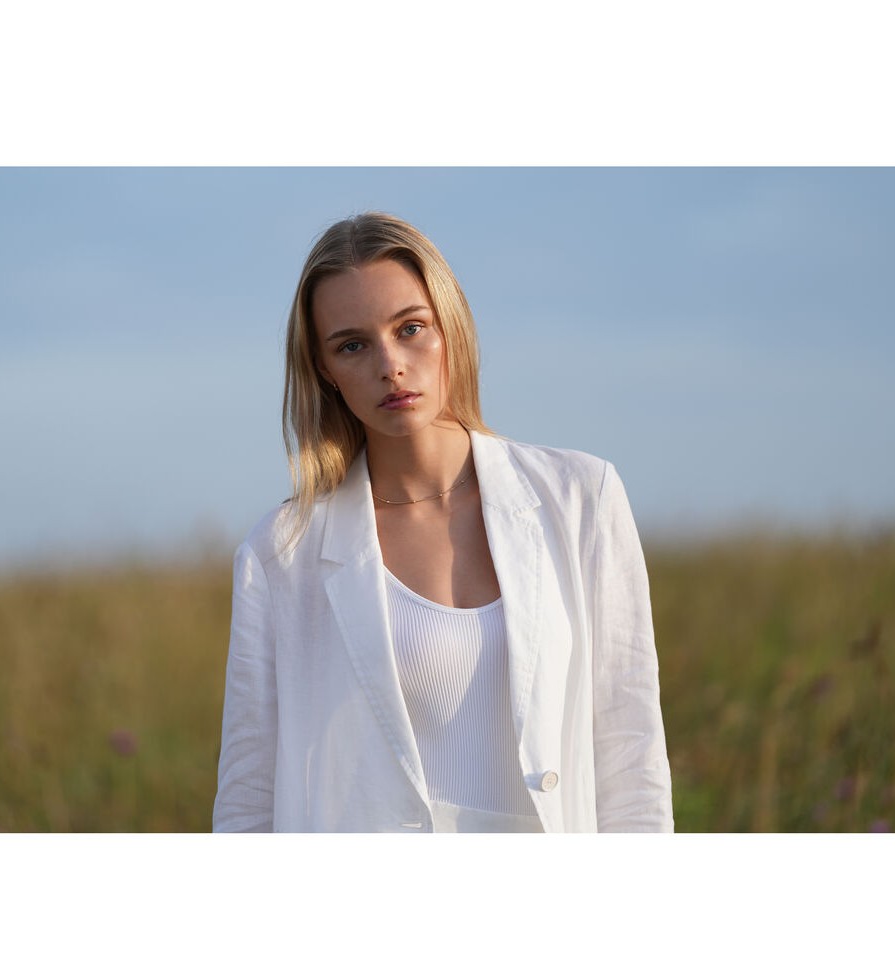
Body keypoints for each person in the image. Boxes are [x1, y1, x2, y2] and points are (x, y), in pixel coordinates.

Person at [212, 212, 673, 833]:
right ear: (324, 370)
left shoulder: (581, 498)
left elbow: (631, 756)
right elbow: (248, 802)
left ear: (450, 326)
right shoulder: (280, 555)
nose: (390, 365)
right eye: (352, 345)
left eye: (411, 328)